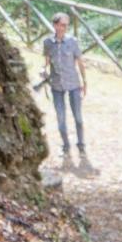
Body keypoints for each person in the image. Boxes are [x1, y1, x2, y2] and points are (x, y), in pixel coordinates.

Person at [40, 11, 88, 159]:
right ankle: (65, 147)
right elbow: (46, 63)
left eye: (66, 25)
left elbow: (80, 63)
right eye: (61, 25)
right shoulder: (47, 43)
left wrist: (85, 82)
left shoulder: (72, 41)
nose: (64, 28)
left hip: (73, 84)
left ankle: (81, 146)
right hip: (56, 86)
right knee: (61, 119)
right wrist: (43, 70)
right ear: (55, 25)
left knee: (78, 118)